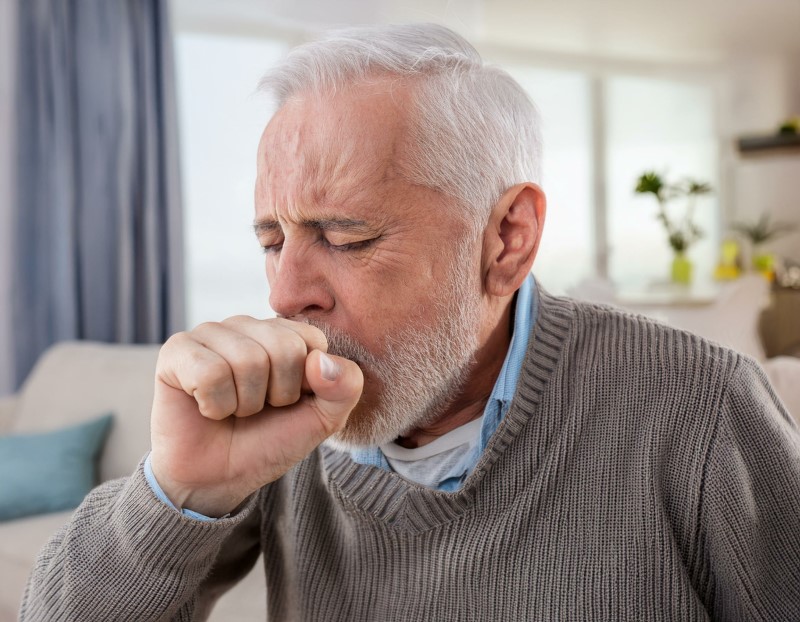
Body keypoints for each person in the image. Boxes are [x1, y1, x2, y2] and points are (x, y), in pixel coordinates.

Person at [21, 23, 800, 622]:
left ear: (505, 240)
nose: (288, 293)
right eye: (271, 240)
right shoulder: (275, 428)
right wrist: (179, 490)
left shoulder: (703, 408)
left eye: (345, 237)